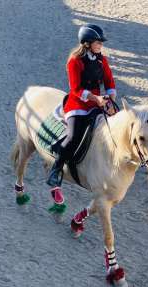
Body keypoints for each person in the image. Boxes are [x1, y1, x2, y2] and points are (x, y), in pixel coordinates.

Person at [46, 24, 117, 187]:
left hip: (98, 101)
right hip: (78, 103)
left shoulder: (102, 60)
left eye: (101, 43)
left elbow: (109, 82)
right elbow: (76, 89)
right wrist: (96, 98)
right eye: (98, 42)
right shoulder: (74, 61)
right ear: (87, 43)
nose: (101, 45)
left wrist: (111, 101)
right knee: (72, 136)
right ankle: (56, 170)